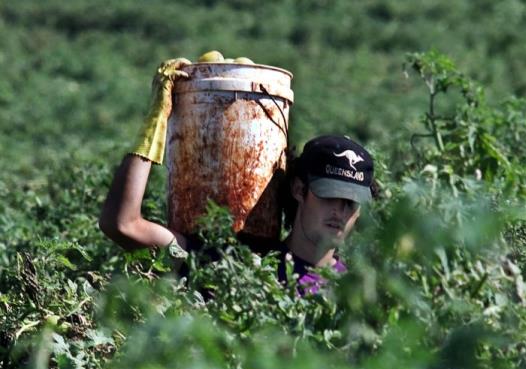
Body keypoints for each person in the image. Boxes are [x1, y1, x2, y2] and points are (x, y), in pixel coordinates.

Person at [99, 58, 374, 294]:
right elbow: (124, 224)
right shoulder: (228, 264)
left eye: (351, 202)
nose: (340, 210)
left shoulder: (355, 292)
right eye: (329, 196)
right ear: (299, 190)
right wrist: (157, 122)